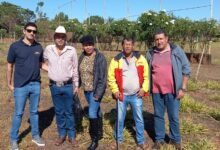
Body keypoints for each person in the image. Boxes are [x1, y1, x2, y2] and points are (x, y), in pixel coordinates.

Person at [146, 29, 191, 150]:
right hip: (156, 91)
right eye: (157, 39)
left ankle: (175, 140)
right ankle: (159, 140)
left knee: (174, 116)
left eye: (161, 39)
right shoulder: (151, 53)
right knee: (158, 116)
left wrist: (183, 88)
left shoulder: (176, 50)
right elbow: (145, 71)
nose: (159, 41)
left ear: (166, 39)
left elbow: (186, 68)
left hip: (173, 91)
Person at [7, 22, 45, 150]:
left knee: (34, 112)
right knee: (18, 113)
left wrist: (55, 70)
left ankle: (35, 135)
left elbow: (41, 64)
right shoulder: (15, 46)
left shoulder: (39, 47)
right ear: (24, 31)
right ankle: (13, 139)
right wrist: (9, 83)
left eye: (34, 31)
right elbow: (9, 65)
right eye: (29, 30)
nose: (32, 33)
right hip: (21, 86)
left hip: (36, 85)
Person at [108, 37, 150, 150]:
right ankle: (118, 140)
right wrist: (115, 90)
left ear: (133, 46)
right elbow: (111, 77)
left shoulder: (141, 59)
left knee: (139, 118)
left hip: (136, 95)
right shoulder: (116, 60)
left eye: (130, 44)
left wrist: (144, 89)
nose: (127, 46)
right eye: (126, 44)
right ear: (122, 45)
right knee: (120, 118)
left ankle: (141, 142)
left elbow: (147, 76)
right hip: (122, 95)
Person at [43, 26, 79, 147]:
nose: (60, 39)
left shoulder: (71, 50)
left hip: (68, 86)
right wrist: (50, 71)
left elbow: (75, 69)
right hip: (54, 86)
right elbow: (42, 61)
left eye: (62, 36)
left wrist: (76, 85)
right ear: (54, 38)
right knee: (58, 111)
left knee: (69, 111)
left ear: (65, 38)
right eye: (58, 36)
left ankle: (72, 136)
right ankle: (62, 134)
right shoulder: (48, 49)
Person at [78, 35, 107, 150]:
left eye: (90, 44)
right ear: (83, 46)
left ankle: (95, 140)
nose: (88, 47)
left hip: (95, 91)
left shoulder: (100, 58)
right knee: (97, 110)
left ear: (94, 45)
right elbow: (79, 72)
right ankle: (100, 132)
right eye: (86, 45)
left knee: (91, 113)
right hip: (86, 90)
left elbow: (102, 79)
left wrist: (98, 94)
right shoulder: (82, 56)